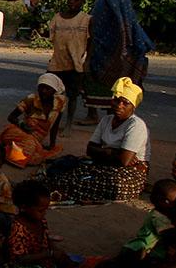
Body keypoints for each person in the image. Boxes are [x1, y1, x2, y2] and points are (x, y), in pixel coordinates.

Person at [50, 77, 150, 205]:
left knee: (89, 184)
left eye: (126, 103)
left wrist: (103, 152)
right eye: (117, 101)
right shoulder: (106, 120)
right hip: (106, 165)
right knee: (70, 173)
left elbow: (124, 161)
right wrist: (111, 152)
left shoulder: (136, 125)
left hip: (130, 173)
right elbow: (90, 149)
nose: (119, 106)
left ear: (133, 107)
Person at [80, 0, 154, 124]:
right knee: (96, 77)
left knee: (104, 78)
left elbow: (122, 17)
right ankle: (97, 115)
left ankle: (107, 116)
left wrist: (124, 43)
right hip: (102, 42)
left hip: (111, 44)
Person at [93, 179, 176, 268]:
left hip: (141, 247)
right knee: (131, 267)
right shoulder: (160, 217)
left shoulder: (163, 214)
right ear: (166, 202)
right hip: (140, 248)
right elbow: (169, 235)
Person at [7, 179, 72, 268]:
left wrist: (57, 251)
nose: (44, 213)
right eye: (41, 210)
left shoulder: (40, 221)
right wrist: (49, 254)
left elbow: (47, 239)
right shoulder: (17, 228)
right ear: (24, 207)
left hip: (44, 263)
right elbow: (19, 259)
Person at [0, 72, 66, 168]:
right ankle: (9, 154)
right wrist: (22, 124)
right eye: (41, 87)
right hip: (19, 132)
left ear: (54, 90)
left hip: (35, 139)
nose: (43, 91)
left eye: (47, 89)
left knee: (38, 153)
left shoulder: (60, 102)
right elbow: (11, 117)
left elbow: (55, 125)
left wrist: (52, 144)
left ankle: (7, 150)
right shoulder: (31, 99)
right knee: (30, 147)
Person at [47, 0, 90, 132]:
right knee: (53, 94)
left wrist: (87, 61)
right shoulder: (57, 18)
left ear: (83, 2)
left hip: (75, 64)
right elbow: (53, 39)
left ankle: (68, 124)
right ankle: (53, 122)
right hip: (57, 63)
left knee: (72, 96)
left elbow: (91, 42)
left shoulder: (86, 20)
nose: (72, 2)